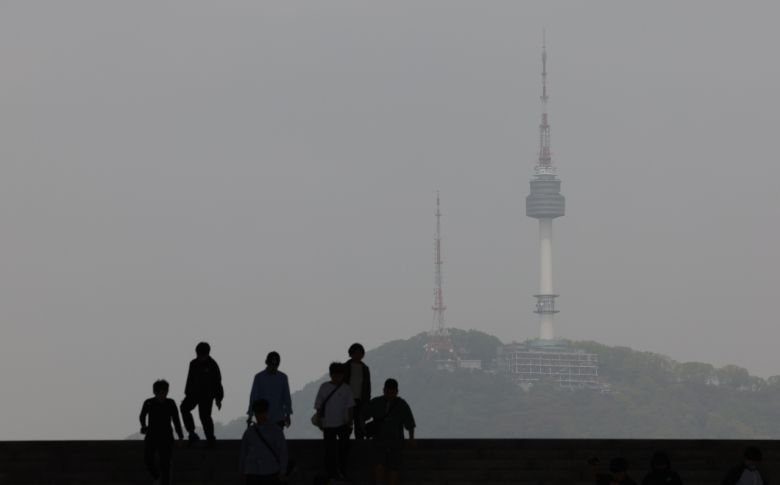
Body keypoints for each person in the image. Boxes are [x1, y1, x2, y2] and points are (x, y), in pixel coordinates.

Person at [362, 378, 416, 485]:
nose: (390, 395)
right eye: (388, 392)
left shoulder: (378, 402)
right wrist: (411, 439)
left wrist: (364, 431)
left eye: (392, 392)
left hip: (389, 441)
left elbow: (362, 416)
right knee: (388, 467)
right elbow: (410, 424)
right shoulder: (401, 404)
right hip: (387, 441)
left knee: (388, 467)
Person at [314, 362, 354, 479]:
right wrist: (319, 420)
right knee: (329, 450)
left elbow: (350, 407)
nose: (337, 378)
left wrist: (350, 420)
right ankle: (331, 472)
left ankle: (342, 470)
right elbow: (319, 406)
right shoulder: (324, 387)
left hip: (343, 423)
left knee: (343, 449)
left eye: (340, 375)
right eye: (335, 375)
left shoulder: (346, 388)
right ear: (331, 375)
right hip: (328, 424)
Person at [139, 379, 184, 485]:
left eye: (165, 392)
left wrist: (180, 436)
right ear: (155, 392)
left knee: (165, 463)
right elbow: (142, 416)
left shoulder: (170, 403)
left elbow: (176, 420)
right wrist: (143, 426)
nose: (163, 395)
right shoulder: (149, 402)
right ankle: (156, 477)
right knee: (148, 459)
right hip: (152, 435)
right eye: (161, 393)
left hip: (166, 436)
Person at [180, 341, 224, 446]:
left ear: (207, 354)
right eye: (198, 355)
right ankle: (192, 433)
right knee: (184, 408)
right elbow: (189, 379)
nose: (199, 358)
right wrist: (187, 393)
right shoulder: (193, 363)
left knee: (204, 416)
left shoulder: (212, 365)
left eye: (202, 356)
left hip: (207, 395)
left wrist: (218, 398)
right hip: (194, 393)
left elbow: (217, 383)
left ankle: (210, 439)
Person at [240, 399, 288, 485]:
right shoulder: (276, 430)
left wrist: (242, 471)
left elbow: (243, 453)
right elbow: (283, 452)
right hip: (266, 471)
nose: (259, 415)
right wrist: (282, 471)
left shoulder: (249, 432)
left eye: (261, 412)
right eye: (258, 413)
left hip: (258, 472)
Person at [247, 351, 293, 430]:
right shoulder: (281, 377)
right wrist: (250, 415)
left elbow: (287, 398)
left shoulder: (260, 377)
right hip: (264, 418)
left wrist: (288, 415)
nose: (274, 367)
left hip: (274, 419)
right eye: (272, 364)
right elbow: (254, 398)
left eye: (275, 365)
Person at [343, 343, 371, 440]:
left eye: (360, 353)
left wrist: (367, 401)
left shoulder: (365, 369)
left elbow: (368, 386)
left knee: (359, 424)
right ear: (351, 354)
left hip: (361, 400)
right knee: (346, 424)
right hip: (347, 400)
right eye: (355, 353)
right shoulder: (345, 367)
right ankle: (345, 443)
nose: (358, 355)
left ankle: (359, 444)